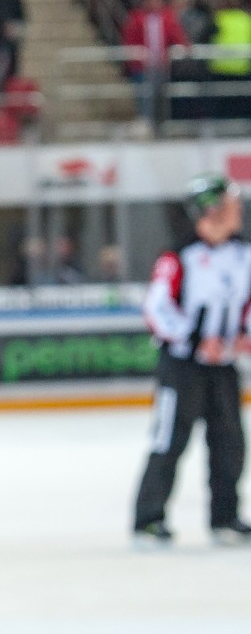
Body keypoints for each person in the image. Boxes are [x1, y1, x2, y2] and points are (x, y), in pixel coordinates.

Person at [133, 174, 251, 548]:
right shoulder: (178, 256)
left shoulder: (244, 253)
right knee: (168, 440)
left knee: (230, 442)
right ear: (211, 210)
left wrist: (243, 338)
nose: (239, 210)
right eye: (231, 203)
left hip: (224, 368)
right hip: (181, 368)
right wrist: (197, 340)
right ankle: (148, 520)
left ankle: (225, 519)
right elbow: (157, 309)